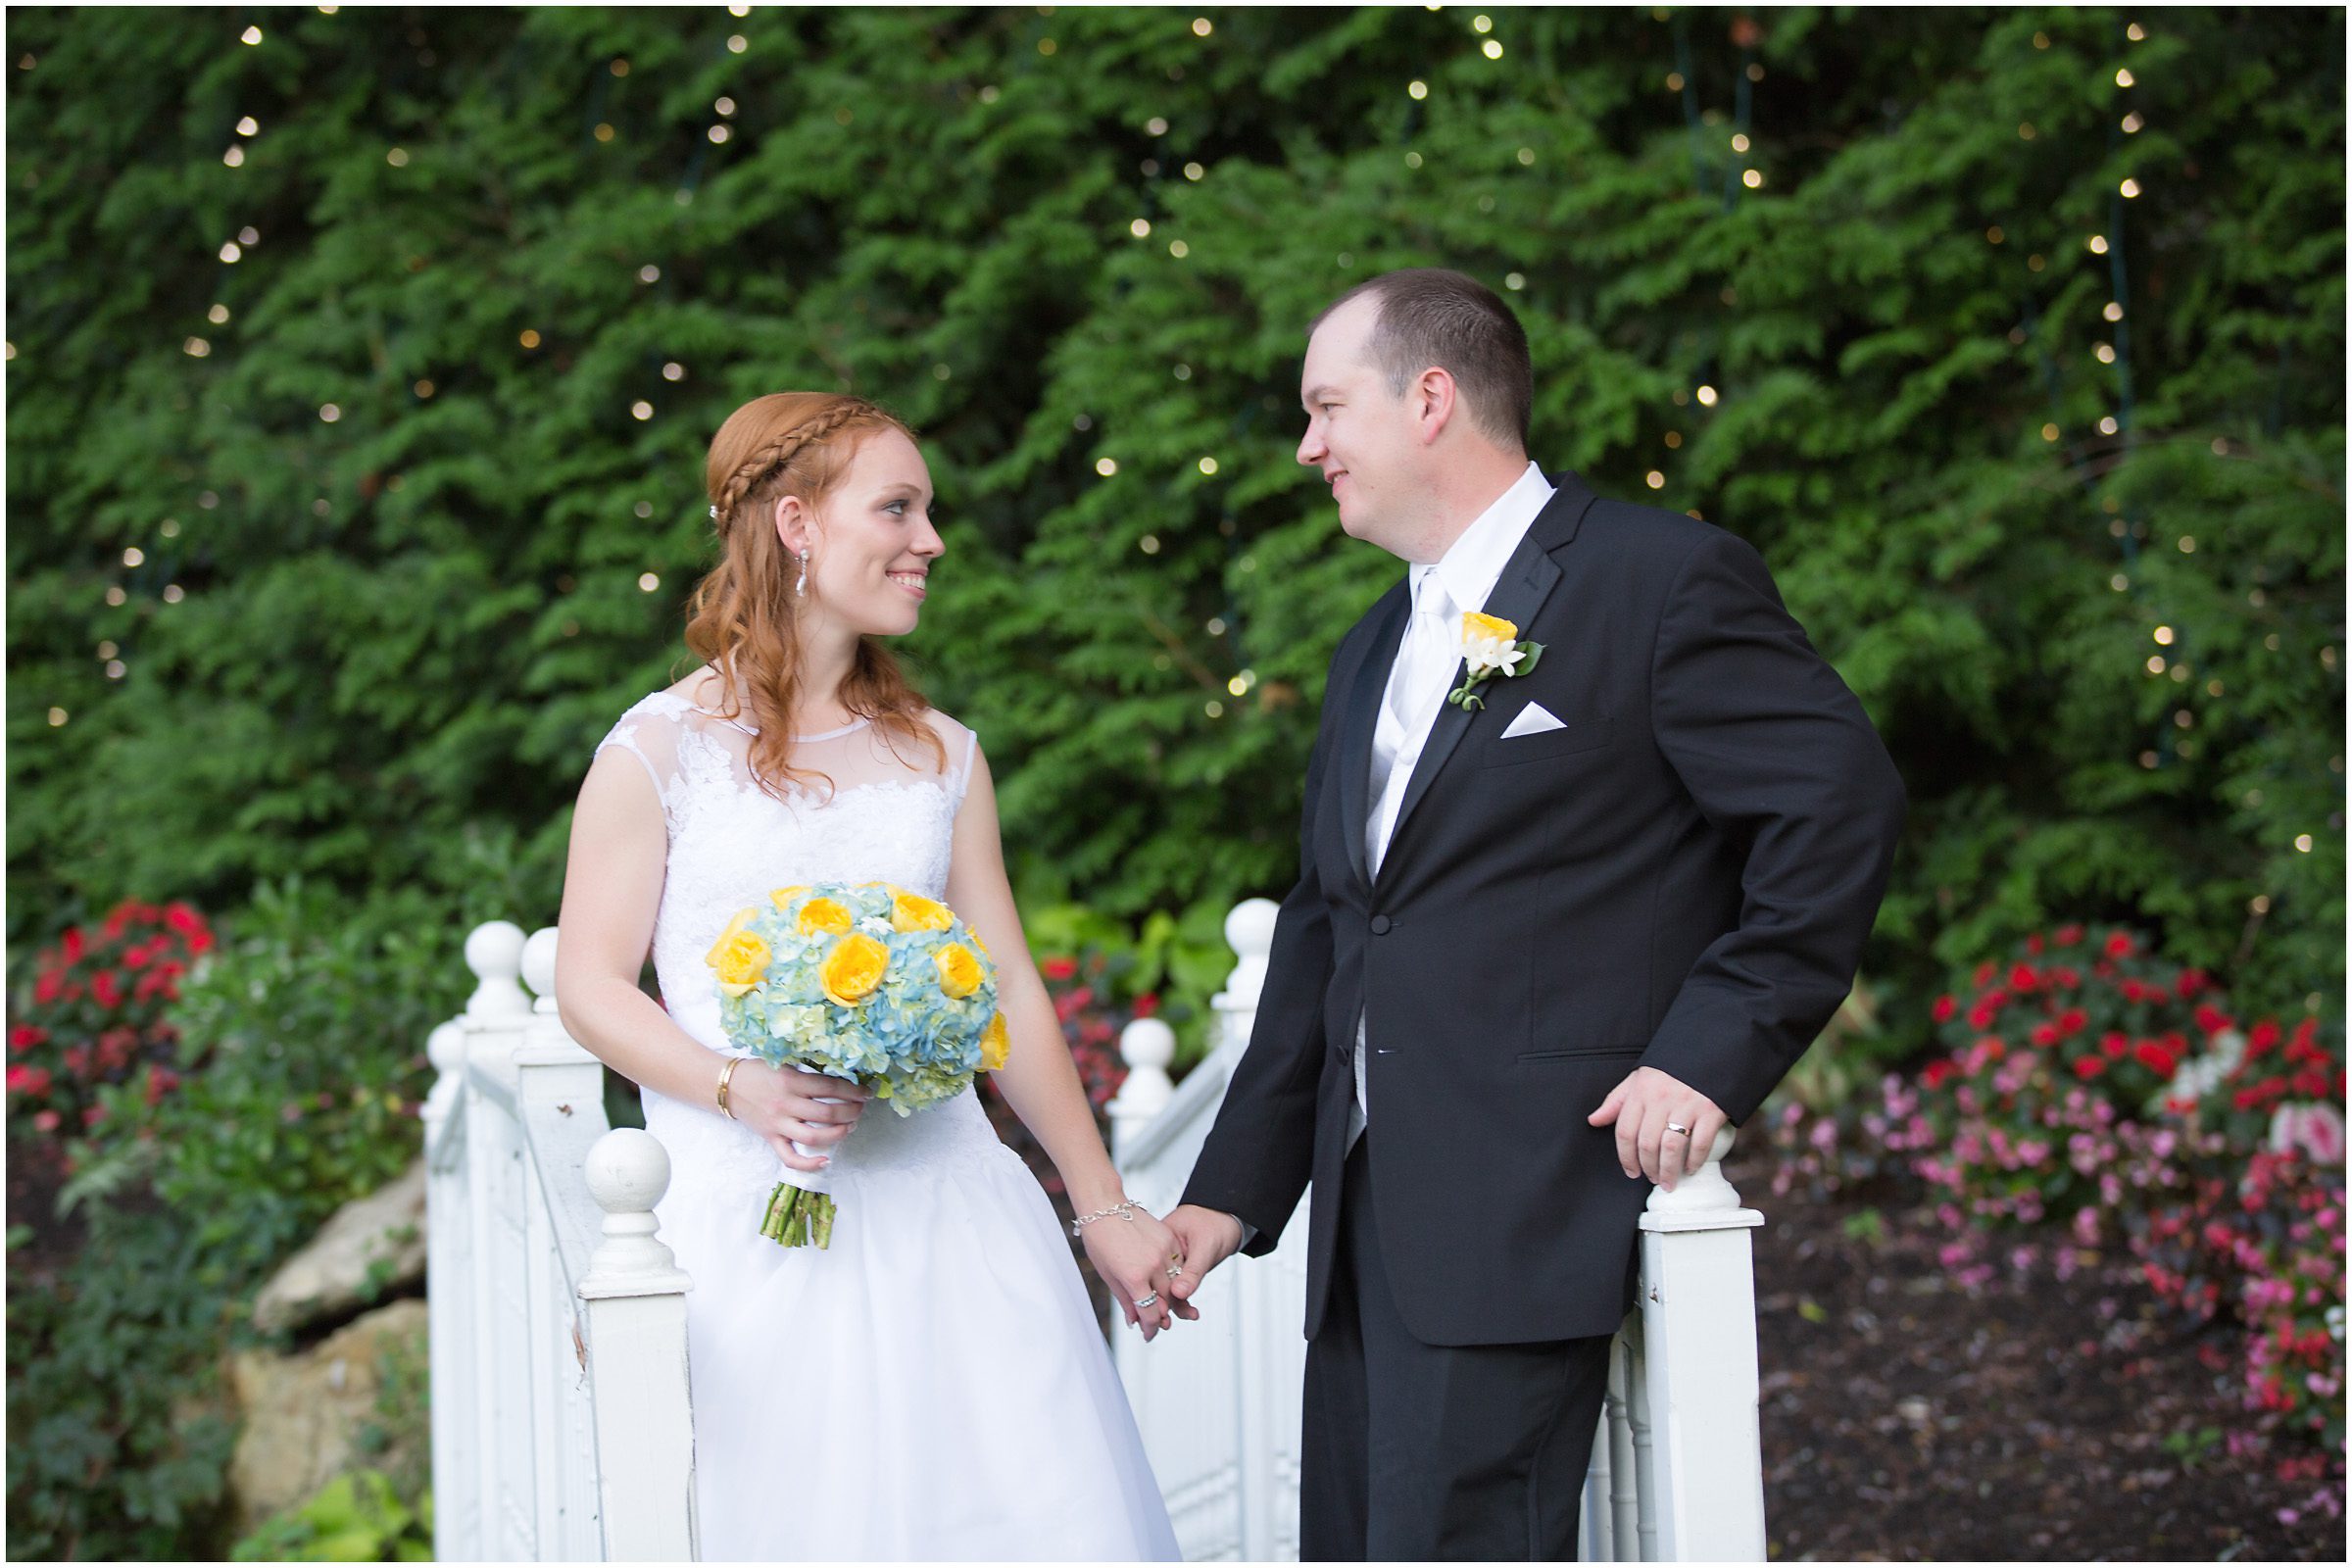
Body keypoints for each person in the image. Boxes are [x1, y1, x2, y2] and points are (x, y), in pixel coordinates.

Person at [1162, 269, 1907, 1560]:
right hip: (1364, 1227)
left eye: (1329, 408)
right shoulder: (1368, 650)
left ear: (1432, 399)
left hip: (1528, 1208)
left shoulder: (1655, 580)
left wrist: (1707, 1047)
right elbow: (1334, 926)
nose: (1309, 446)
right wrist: (1228, 1194)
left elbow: (1835, 807)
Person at [553, 392, 1181, 1561]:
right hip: (757, 1231)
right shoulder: (657, 753)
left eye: (928, 510)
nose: (929, 539)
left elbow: (1008, 992)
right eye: (896, 507)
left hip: (955, 1218)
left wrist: (1102, 1206)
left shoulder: (942, 755)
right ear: (796, 524)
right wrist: (737, 1084)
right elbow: (589, 985)